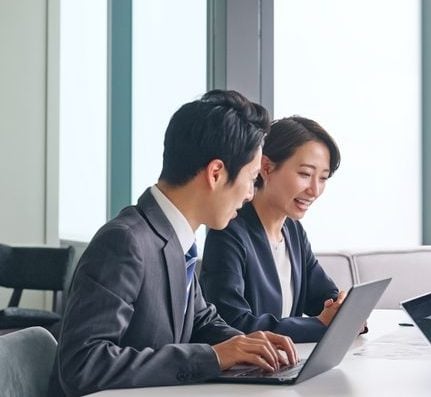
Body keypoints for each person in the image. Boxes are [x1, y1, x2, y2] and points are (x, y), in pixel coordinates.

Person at [50, 90, 297, 397]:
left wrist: (250, 347)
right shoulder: (125, 242)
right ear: (216, 173)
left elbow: (200, 319)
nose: (250, 194)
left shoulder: (175, 239)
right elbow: (82, 365)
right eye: (251, 177)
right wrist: (215, 357)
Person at [201, 116, 344, 343]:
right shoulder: (229, 231)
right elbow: (232, 322)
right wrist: (319, 325)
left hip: (287, 363)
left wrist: (342, 310)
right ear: (266, 168)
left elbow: (322, 295)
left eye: (323, 178)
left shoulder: (293, 231)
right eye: (305, 174)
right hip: (247, 371)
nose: (315, 190)